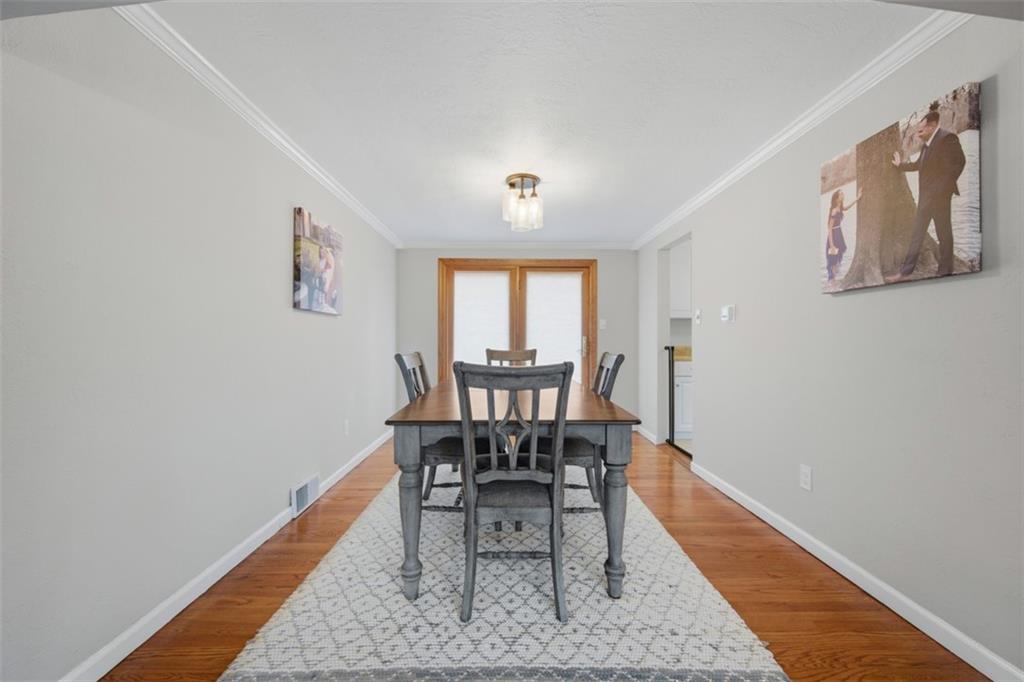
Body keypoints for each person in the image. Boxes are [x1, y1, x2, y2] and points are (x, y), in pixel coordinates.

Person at [886, 105, 966, 283]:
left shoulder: (947, 138)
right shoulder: (926, 146)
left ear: (931, 126)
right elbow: (917, 166)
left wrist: (942, 190)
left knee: (944, 233)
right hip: (925, 200)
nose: (918, 132)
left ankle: (945, 271)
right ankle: (905, 273)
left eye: (920, 128)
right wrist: (900, 166)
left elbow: (959, 163)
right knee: (917, 234)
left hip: (940, 198)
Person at [825, 188, 862, 282]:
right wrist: (832, 245)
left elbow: (846, 208)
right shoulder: (834, 211)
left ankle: (834, 280)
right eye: (841, 194)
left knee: (838, 258)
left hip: (838, 233)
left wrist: (857, 198)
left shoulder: (840, 207)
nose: (843, 195)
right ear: (837, 198)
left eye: (842, 194)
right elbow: (829, 229)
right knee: (833, 260)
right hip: (833, 235)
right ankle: (832, 282)